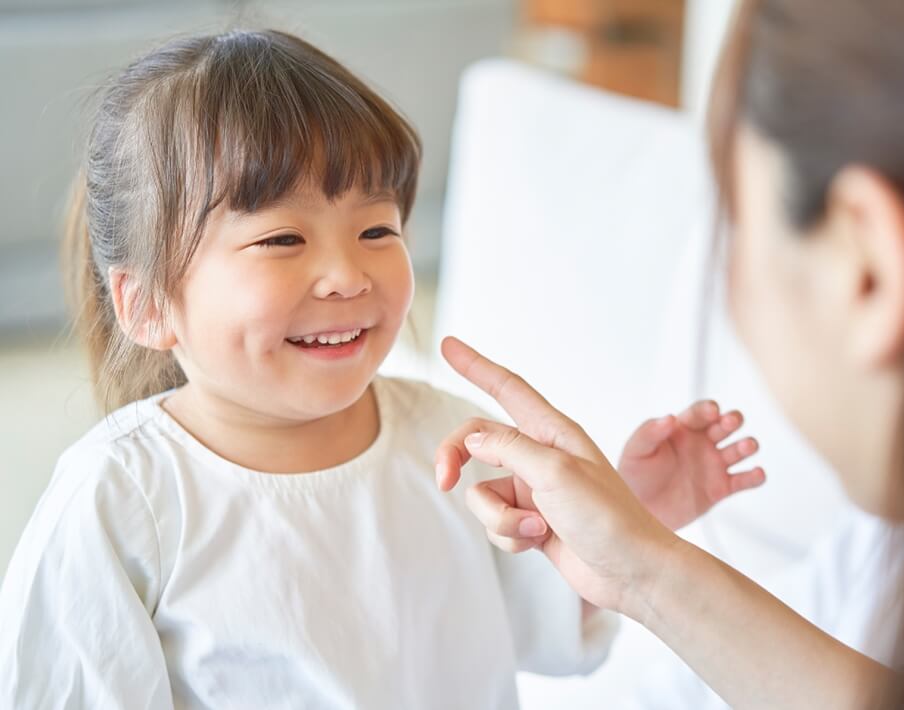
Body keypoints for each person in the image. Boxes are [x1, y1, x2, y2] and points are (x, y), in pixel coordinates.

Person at [0, 29, 764, 709]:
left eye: (375, 229)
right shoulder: (120, 501)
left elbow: (545, 622)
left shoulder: (449, 444)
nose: (346, 276)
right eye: (282, 239)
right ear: (146, 306)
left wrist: (633, 517)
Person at [435, 1, 904, 708]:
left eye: (738, 228)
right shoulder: (888, 551)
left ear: (867, 273)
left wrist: (645, 568)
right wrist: (638, 563)